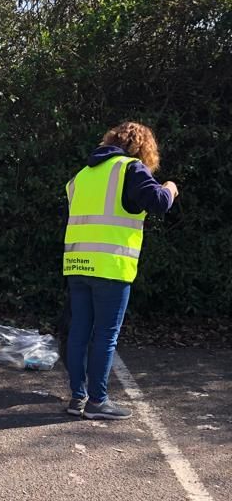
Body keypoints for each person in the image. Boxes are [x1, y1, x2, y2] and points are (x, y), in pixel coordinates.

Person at [63, 122, 178, 420]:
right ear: (143, 148)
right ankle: (98, 402)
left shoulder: (81, 177)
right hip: (111, 266)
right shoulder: (131, 169)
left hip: (77, 264)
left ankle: (77, 398)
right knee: (105, 335)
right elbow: (159, 203)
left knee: (78, 332)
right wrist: (170, 188)